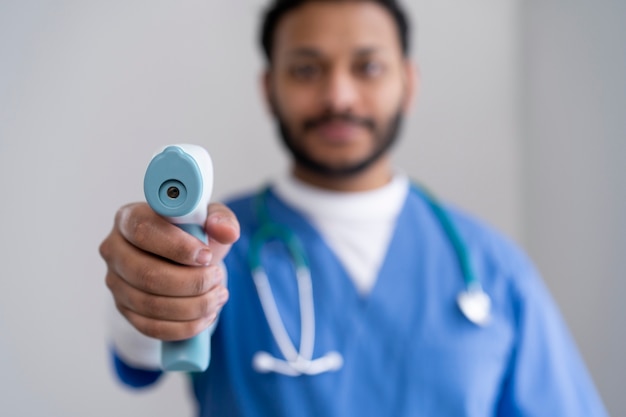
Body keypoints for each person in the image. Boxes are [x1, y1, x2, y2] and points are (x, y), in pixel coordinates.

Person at [99, 0, 608, 416]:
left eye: (368, 67)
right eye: (306, 69)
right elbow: (143, 349)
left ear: (408, 83)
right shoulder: (213, 245)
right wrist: (143, 289)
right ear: (269, 89)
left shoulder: (494, 268)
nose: (338, 95)